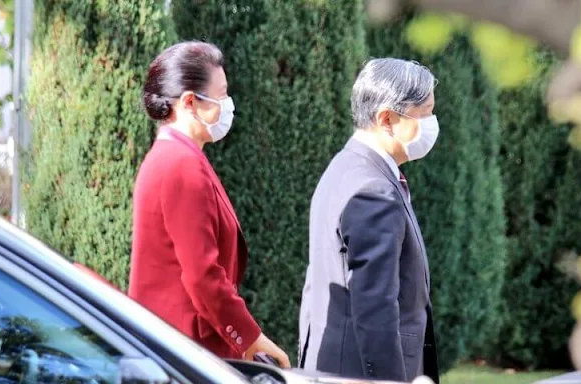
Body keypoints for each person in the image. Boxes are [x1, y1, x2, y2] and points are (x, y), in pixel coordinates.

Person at [128, 41, 289, 368]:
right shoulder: (180, 164)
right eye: (221, 95)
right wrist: (250, 338)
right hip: (185, 351)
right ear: (189, 102)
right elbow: (202, 275)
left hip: (177, 347)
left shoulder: (176, 157)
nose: (227, 104)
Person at [298, 58, 440, 383]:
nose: (433, 123)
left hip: (333, 365)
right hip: (361, 372)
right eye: (426, 113)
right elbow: (375, 304)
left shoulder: (345, 166)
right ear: (387, 119)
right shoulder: (374, 188)